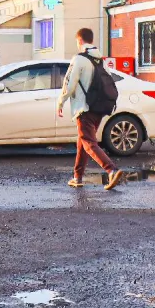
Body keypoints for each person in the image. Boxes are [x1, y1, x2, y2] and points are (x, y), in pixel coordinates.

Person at [57, 28, 124, 191]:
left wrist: (61, 102)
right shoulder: (101, 60)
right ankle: (77, 177)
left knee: (88, 142)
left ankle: (111, 170)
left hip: (84, 108)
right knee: (83, 142)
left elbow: (69, 84)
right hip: (99, 108)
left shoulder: (79, 59)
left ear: (80, 41)